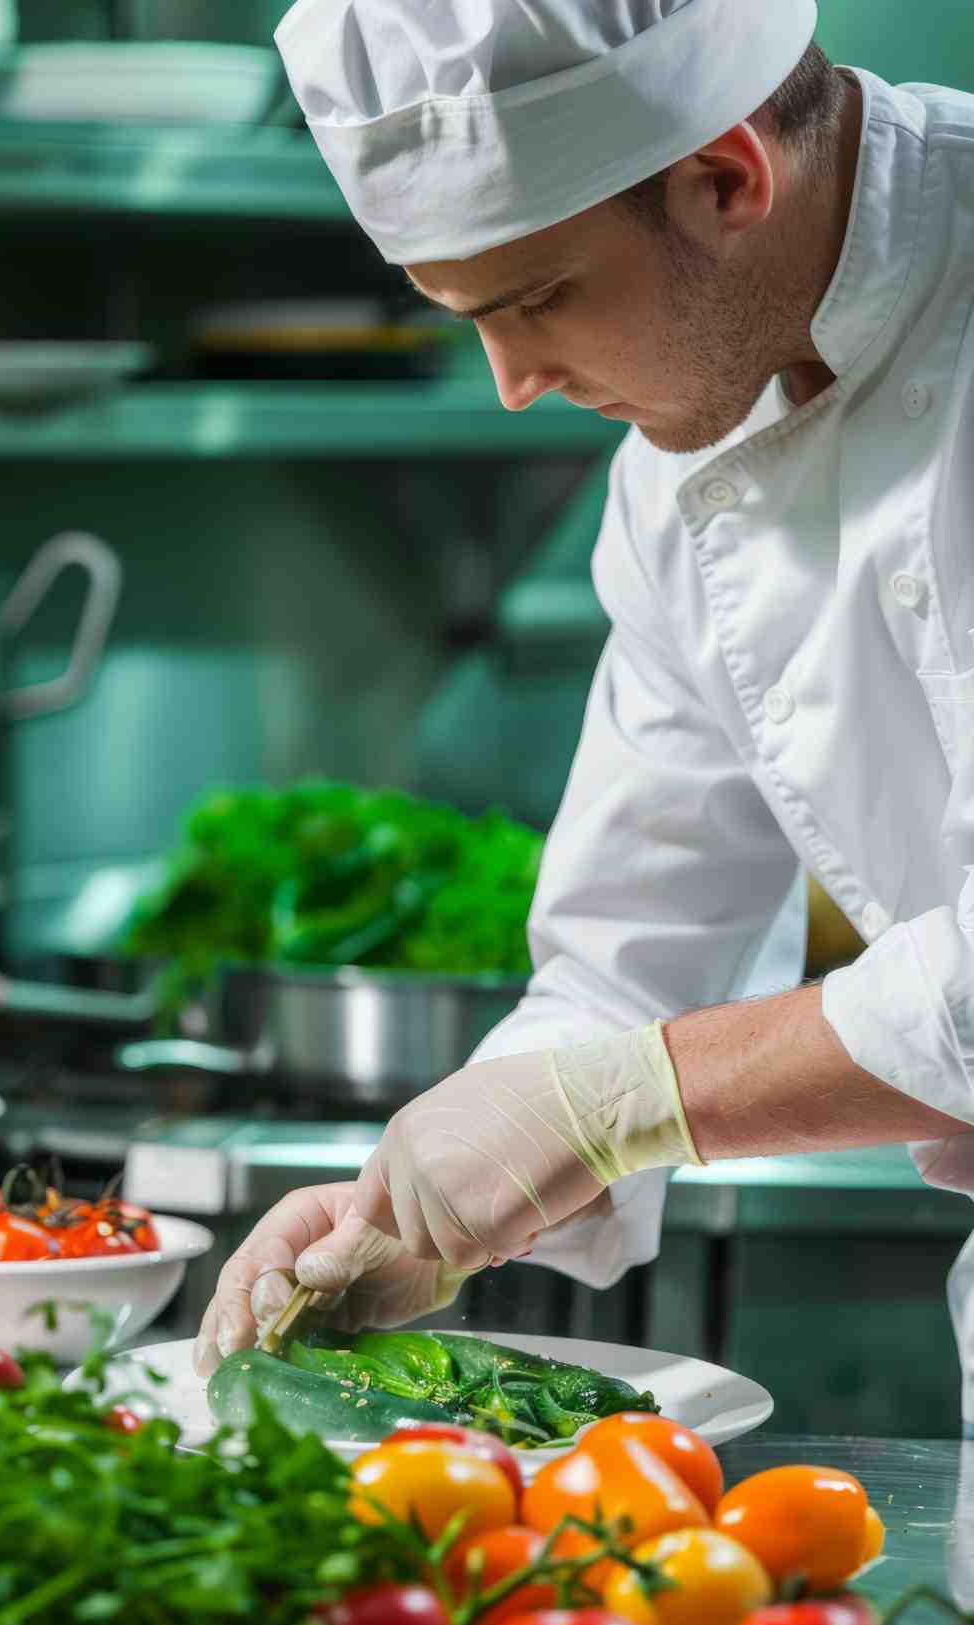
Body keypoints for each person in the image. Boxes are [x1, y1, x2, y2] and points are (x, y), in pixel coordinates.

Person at [194, 0, 974, 1431]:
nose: (514, 387)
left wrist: (615, 1102)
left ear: (729, 178)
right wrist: (427, 1206)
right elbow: (627, 965)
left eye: (535, 299)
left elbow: (635, 1073)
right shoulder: (679, 460)